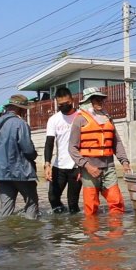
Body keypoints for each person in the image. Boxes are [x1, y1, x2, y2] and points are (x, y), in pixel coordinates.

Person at [69, 87, 131, 216]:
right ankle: (92, 233)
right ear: (88, 101)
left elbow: (116, 142)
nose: (100, 102)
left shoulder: (108, 118)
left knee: (116, 201)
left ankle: (116, 233)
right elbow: (72, 148)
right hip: (89, 169)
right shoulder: (79, 120)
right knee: (91, 206)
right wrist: (87, 166)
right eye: (96, 100)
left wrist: (124, 162)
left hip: (108, 167)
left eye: (101, 100)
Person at [0, 94, 40, 219]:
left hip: (1, 173)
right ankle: (32, 235)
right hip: (21, 172)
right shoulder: (20, 124)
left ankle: (5, 235)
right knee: (31, 204)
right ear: (21, 109)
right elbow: (27, 149)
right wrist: (34, 156)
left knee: (6, 209)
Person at [44, 87, 82, 214]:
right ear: (57, 103)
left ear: (72, 100)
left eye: (67, 103)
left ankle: (74, 229)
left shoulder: (81, 116)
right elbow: (49, 143)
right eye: (61, 105)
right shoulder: (54, 119)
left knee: (73, 202)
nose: (64, 106)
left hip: (76, 166)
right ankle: (59, 228)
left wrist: (82, 166)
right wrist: (47, 164)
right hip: (58, 166)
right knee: (53, 198)